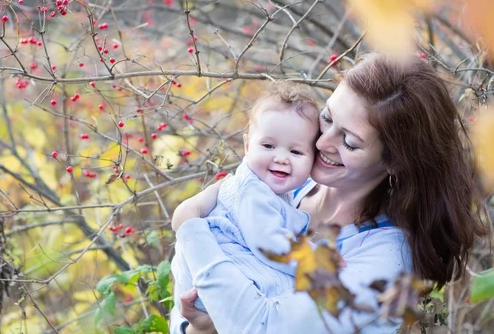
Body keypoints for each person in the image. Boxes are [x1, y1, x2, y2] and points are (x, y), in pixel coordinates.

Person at [169, 53, 489, 334]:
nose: (322, 143)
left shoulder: (385, 259)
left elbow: (260, 327)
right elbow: (191, 307)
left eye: (348, 140)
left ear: (395, 161)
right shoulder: (290, 185)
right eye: (327, 118)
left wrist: (189, 226)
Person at [172, 81, 319, 313]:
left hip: (227, 275)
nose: (281, 158)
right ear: (247, 145)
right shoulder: (252, 190)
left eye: (296, 151)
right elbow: (269, 243)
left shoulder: (276, 190)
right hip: (221, 273)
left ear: (314, 159)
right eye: (268, 145)